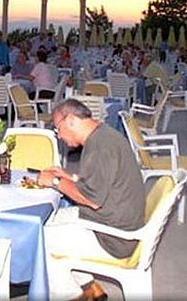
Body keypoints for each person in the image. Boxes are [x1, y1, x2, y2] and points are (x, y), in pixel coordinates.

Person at [37, 99, 145, 300]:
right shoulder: (103, 135)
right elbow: (103, 181)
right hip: (115, 217)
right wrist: (71, 177)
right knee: (49, 220)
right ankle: (91, 289)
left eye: (57, 128)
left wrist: (55, 181)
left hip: (115, 237)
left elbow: (91, 199)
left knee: (41, 239)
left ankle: (70, 295)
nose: (58, 135)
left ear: (70, 120)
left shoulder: (99, 147)